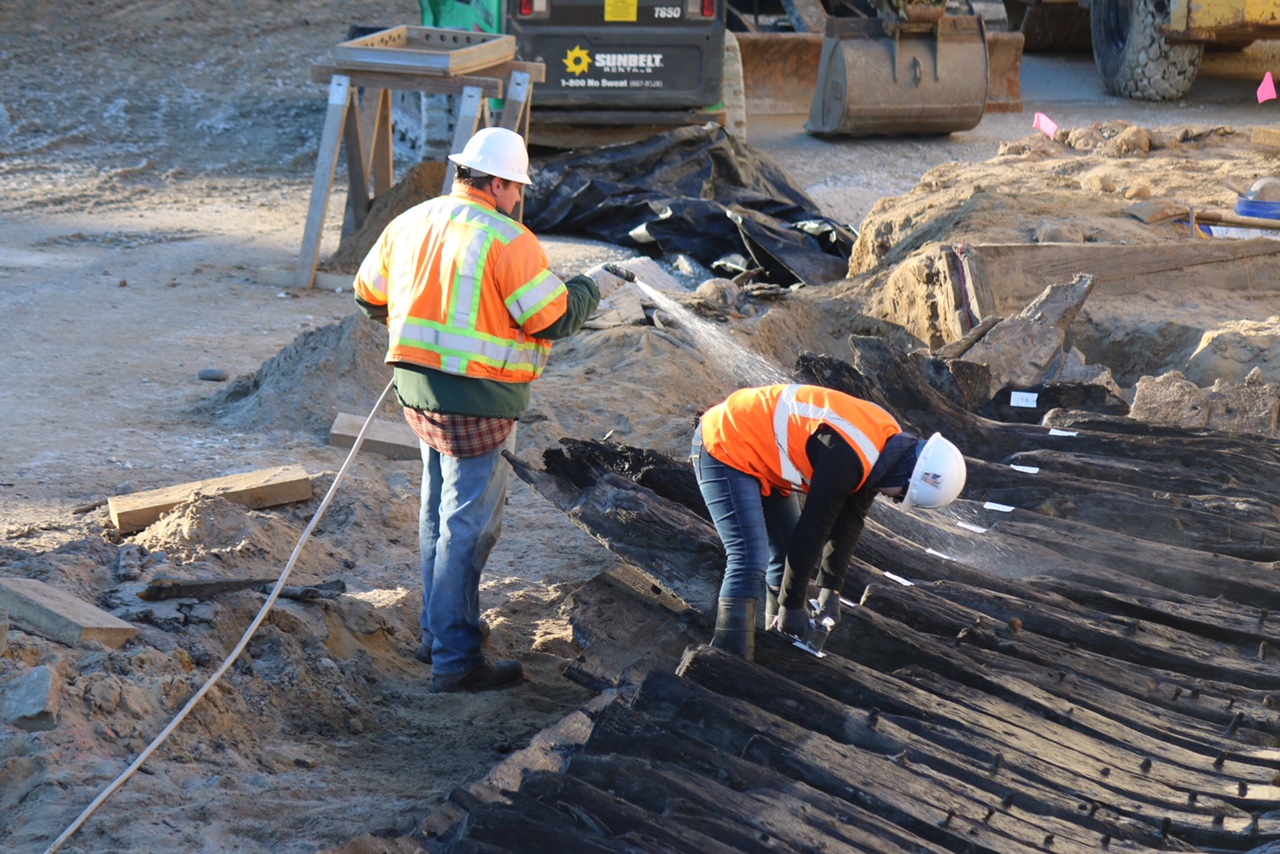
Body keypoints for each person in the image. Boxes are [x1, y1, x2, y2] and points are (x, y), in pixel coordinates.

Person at [353, 127, 611, 693]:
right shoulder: (509, 238)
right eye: (516, 187)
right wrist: (591, 288)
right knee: (467, 530)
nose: (519, 198)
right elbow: (552, 318)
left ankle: (435, 634)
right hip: (482, 405)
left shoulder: (412, 221)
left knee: (437, 518)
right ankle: (455, 661)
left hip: (417, 394)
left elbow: (368, 295)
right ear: (496, 183)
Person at [690, 383, 966, 660]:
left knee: (786, 551)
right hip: (726, 442)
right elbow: (813, 529)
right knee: (748, 555)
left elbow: (848, 525)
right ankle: (728, 658)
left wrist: (831, 590)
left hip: (763, 450)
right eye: (903, 496)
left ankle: (775, 646)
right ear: (908, 477)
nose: (895, 500)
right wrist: (793, 605)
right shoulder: (848, 458)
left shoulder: (887, 449)